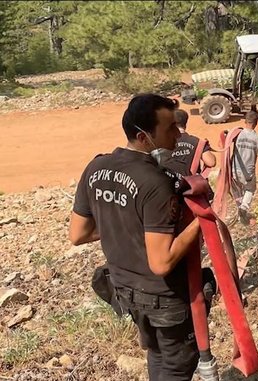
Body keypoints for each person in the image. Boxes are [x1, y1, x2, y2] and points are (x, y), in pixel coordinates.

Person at [68, 94, 203, 381]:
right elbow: (162, 263)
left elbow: (77, 234)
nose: (178, 135)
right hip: (163, 297)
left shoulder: (95, 168)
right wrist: (202, 222)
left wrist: (125, 225)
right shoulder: (155, 182)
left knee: (156, 353)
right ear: (144, 136)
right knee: (178, 365)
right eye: (169, 129)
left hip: (124, 289)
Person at [161, 109, 216, 191]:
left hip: (172, 189)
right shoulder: (197, 142)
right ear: (185, 124)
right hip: (193, 189)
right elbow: (211, 162)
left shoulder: (163, 143)